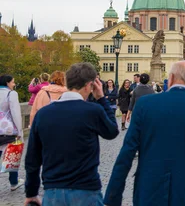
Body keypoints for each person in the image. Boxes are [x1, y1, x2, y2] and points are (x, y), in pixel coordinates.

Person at [104, 61, 185, 206]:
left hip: (149, 192)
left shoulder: (145, 105)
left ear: (170, 79)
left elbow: (127, 152)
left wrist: (113, 196)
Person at [24, 63, 119, 206]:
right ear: (89, 86)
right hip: (86, 190)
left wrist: (31, 192)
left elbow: (32, 158)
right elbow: (112, 131)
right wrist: (101, 98)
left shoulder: (43, 114)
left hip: (53, 190)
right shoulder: (92, 111)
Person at [0, 75, 24, 191]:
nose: (14, 84)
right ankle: (14, 182)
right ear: (7, 83)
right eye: (13, 82)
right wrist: (19, 130)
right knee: (12, 155)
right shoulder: (11, 94)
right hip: (7, 129)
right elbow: (15, 112)